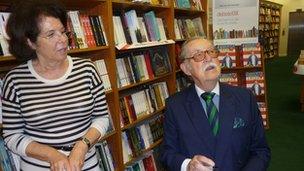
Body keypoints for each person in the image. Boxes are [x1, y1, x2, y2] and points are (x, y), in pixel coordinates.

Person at [1, 0, 110, 170]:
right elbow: (12, 136)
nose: (63, 40)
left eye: (63, 31)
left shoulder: (87, 69)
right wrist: (52, 155)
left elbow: (102, 118)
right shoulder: (15, 81)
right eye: (51, 34)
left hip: (85, 164)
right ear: (30, 42)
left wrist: (82, 146)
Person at [161, 37, 270, 171]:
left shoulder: (245, 98)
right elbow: (168, 153)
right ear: (186, 68)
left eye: (211, 52)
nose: (208, 58)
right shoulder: (175, 105)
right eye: (198, 55)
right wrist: (188, 165)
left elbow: (260, 150)